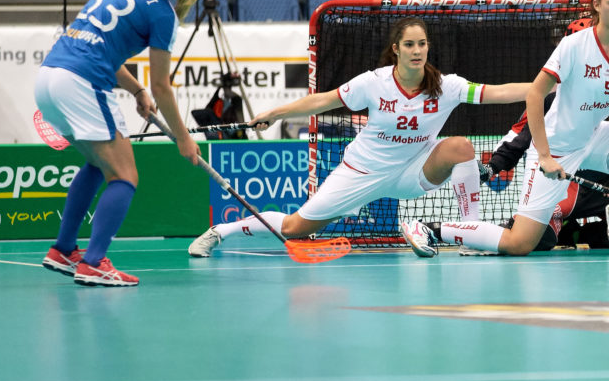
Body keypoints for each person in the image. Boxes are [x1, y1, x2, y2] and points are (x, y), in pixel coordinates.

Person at [187, 18, 530, 257]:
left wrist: (546, 86)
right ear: (396, 49)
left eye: (422, 44)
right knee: (294, 227)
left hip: (413, 171)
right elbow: (322, 101)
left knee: (461, 147)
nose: (417, 50)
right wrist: (275, 113)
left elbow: (499, 92)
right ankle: (221, 231)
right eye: (409, 44)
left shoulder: (446, 86)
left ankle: (471, 233)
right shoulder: (374, 82)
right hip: (362, 172)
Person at [401, 0, 609, 256]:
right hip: (557, 147)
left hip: (594, 138)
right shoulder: (574, 45)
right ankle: (430, 228)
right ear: (596, 4)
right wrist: (544, 155)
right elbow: (535, 94)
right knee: (520, 243)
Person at [36, 0, 203, 287]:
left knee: (98, 164)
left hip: (49, 76)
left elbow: (102, 50)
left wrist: (137, 90)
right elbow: (163, 86)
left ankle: (64, 250)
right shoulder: (162, 12)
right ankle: (94, 263)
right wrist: (183, 138)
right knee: (125, 176)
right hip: (83, 83)